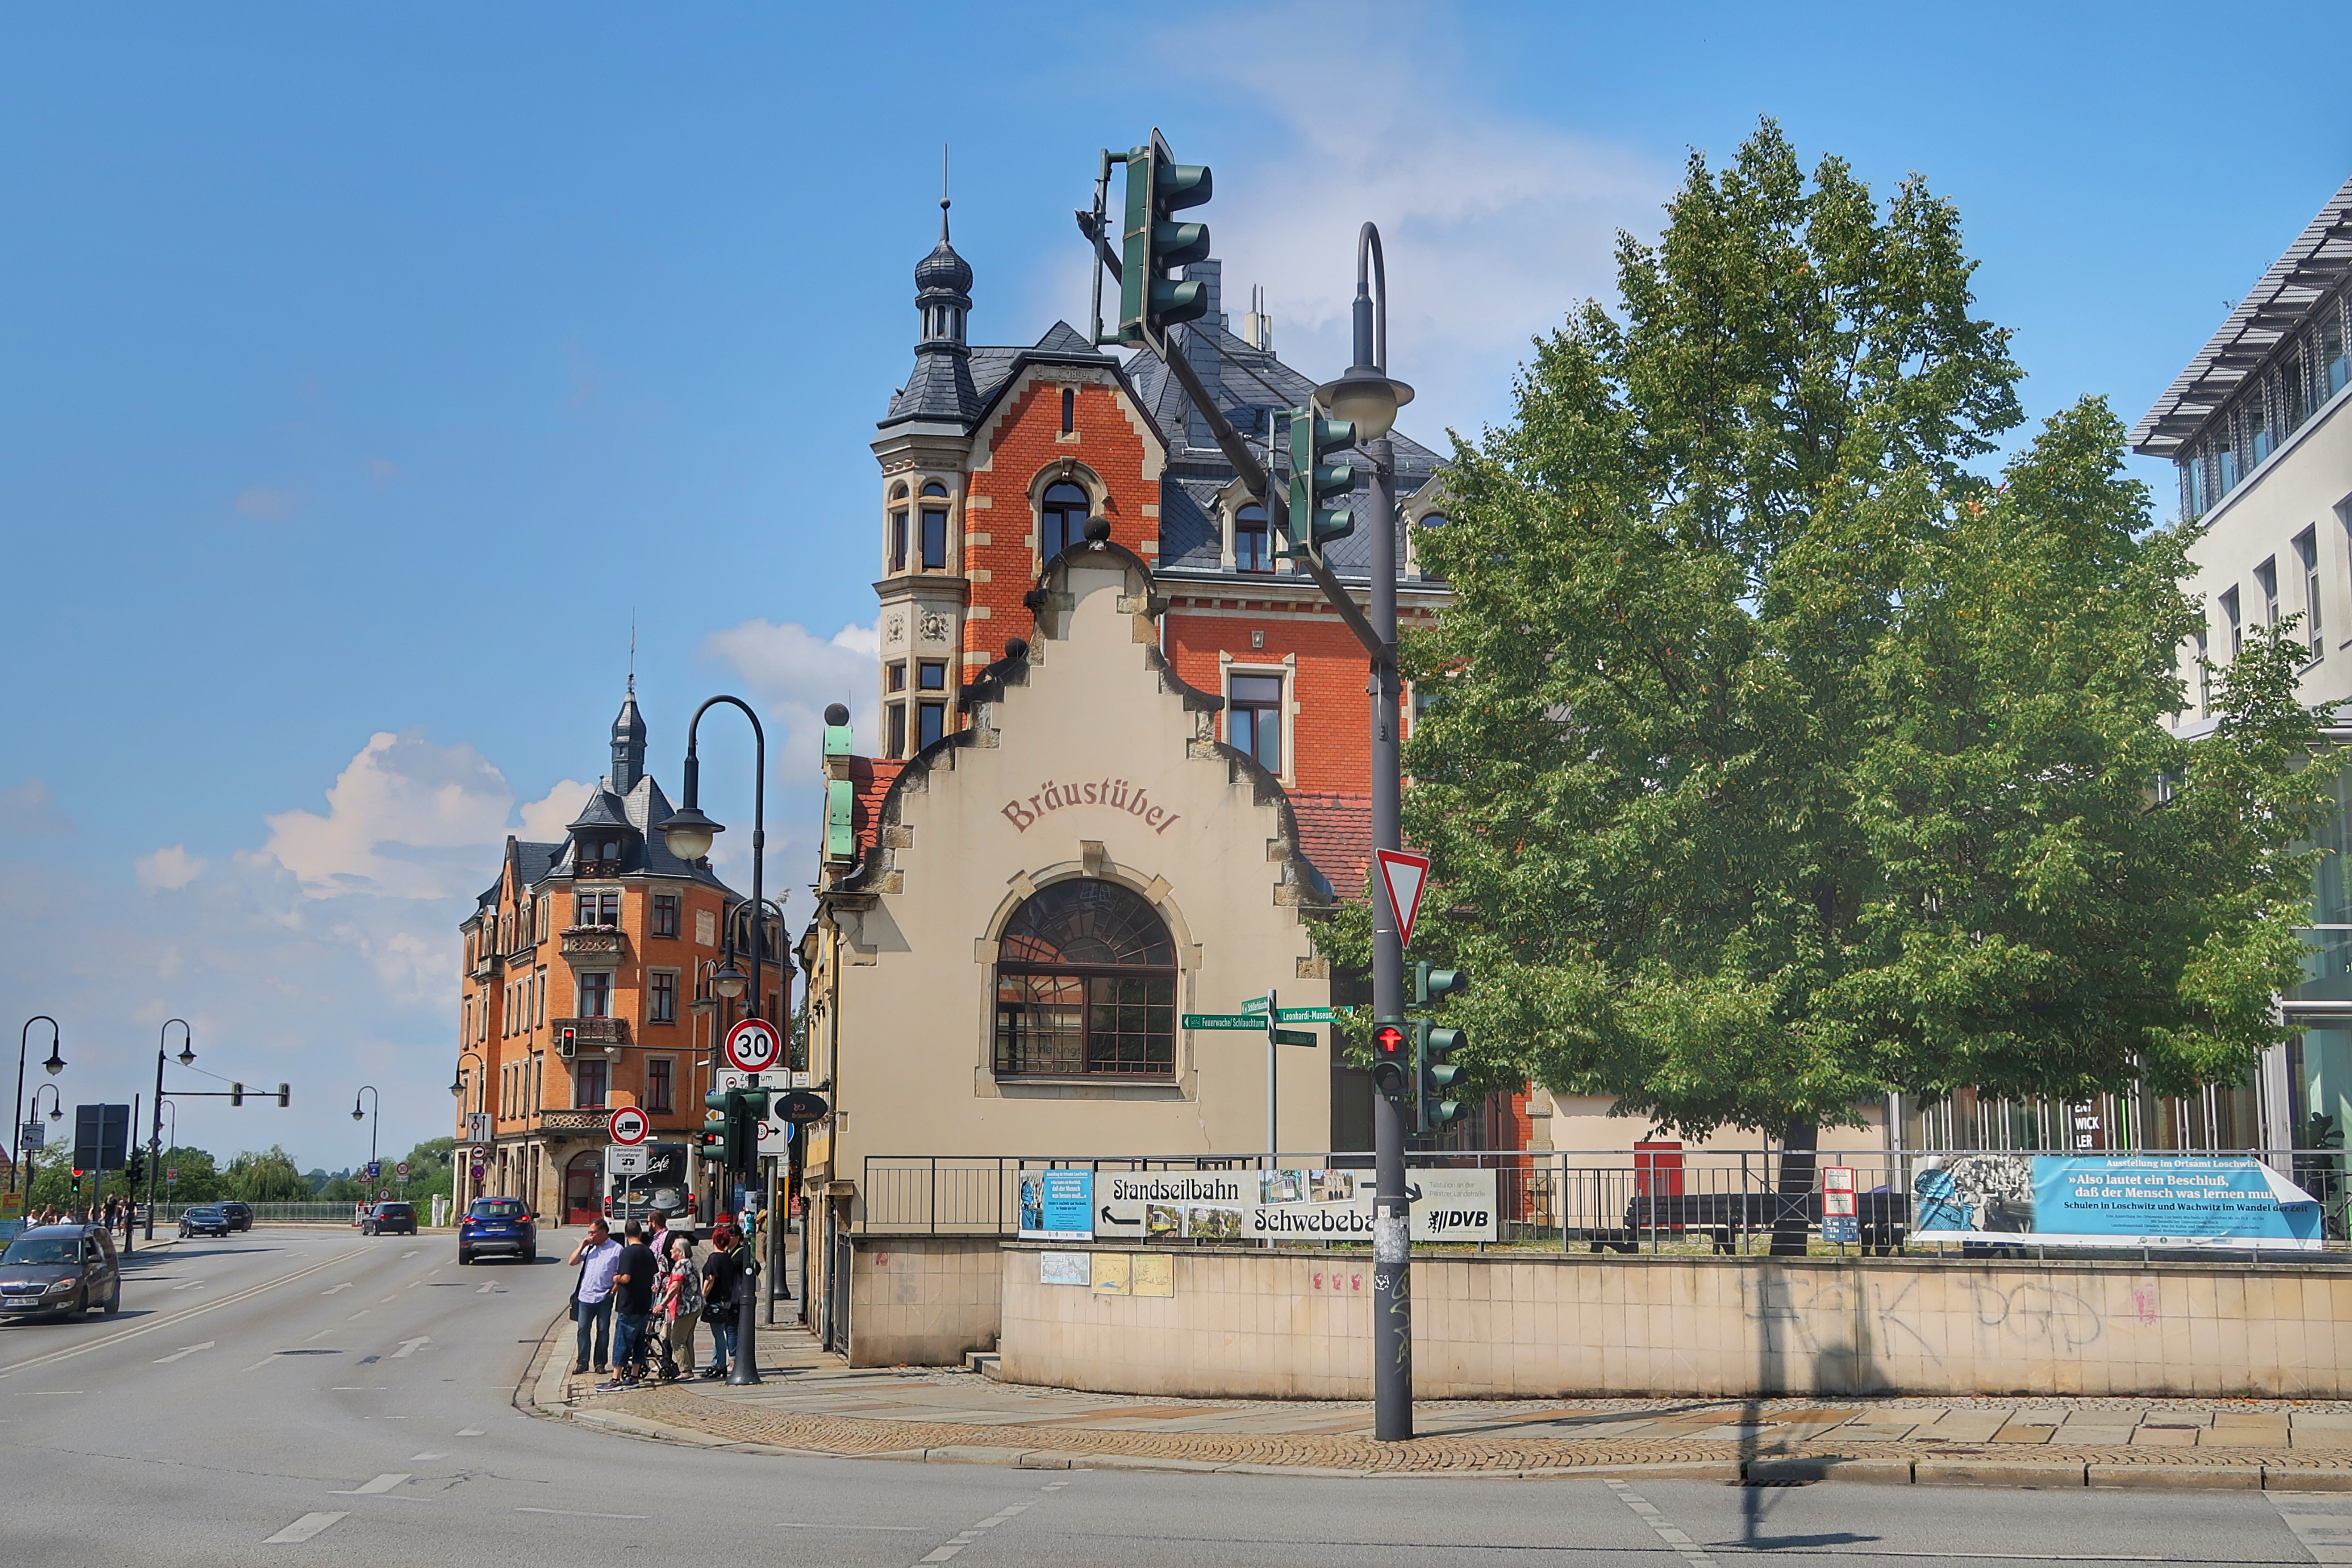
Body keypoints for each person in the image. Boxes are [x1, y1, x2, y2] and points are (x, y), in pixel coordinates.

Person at [601, 1219, 659, 1391]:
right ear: (640, 1233)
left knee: (622, 1340)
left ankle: (616, 1379)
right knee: (639, 1341)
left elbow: (626, 1277)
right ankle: (634, 1376)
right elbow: (654, 1273)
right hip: (644, 1302)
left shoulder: (628, 1253)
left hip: (629, 1303)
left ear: (626, 1234)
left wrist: (616, 1278)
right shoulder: (648, 1252)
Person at [566, 1219, 623, 1376]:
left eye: (593, 1232)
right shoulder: (589, 1248)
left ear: (603, 1232)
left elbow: (621, 1273)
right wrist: (583, 1245)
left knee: (603, 1330)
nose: (590, 1235)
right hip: (585, 1296)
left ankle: (600, 1363)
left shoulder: (617, 1249)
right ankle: (582, 1362)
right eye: (589, 1233)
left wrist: (613, 1291)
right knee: (583, 1329)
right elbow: (572, 1262)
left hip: (604, 1296)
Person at [701, 1224, 741, 1378]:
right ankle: (715, 1362)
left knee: (718, 1334)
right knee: (719, 1332)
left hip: (716, 1300)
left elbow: (710, 1279)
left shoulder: (714, 1258)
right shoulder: (728, 1259)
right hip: (727, 1300)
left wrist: (703, 1296)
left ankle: (720, 1366)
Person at [660, 1234, 701, 1382]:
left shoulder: (681, 1265)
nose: (671, 1251)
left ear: (680, 1251)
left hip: (686, 1307)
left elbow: (675, 1288)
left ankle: (686, 1371)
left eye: (673, 1249)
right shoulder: (690, 1263)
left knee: (677, 1339)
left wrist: (663, 1304)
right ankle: (689, 1367)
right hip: (695, 1306)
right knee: (687, 1338)